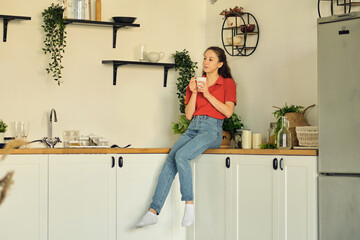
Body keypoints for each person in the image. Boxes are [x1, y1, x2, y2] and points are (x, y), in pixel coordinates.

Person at [136, 46, 237, 228]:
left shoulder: (227, 83)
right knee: (171, 159)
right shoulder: (195, 83)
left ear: (220, 64)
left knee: (182, 155)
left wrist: (207, 94)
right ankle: (153, 211)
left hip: (212, 130)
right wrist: (195, 93)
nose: (205, 62)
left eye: (211, 59)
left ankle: (189, 205)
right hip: (193, 126)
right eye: (205, 58)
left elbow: (228, 112)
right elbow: (189, 115)